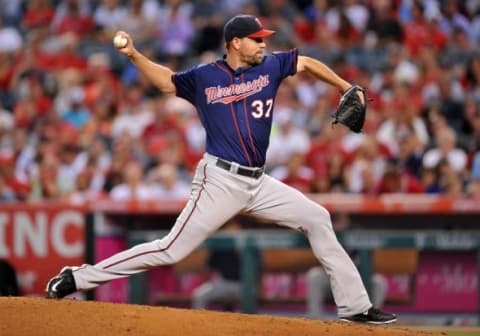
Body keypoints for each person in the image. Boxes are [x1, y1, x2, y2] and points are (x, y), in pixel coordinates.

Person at [46, 14, 396, 324]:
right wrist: (135, 55)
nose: (263, 44)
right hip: (220, 181)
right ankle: (78, 278)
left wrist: (344, 86)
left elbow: (304, 62)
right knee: (171, 249)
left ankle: (355, 306)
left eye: (264, 38)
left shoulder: (270, 66)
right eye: (256, 39)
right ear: (235, 43)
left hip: (259, 183)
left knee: (317, 217)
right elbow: (167, 82)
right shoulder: (205, 76)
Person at [192, 219, 261, 310]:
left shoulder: (249, 243)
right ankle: (199, 322)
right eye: (229, 227)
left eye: (236, 227)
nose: (233, 230)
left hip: (243, 284)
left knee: (251, 298)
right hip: (224, 282)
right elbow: (209, 267)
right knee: (199, 295)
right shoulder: (221, 243)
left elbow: (259, 268)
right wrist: (206, 283)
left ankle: (248, 323)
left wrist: (260, 286)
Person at [306, 266, 388, 319]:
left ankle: (371, 319)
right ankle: (316, 320)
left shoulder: (365, 240)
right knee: (315, 275)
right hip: (332, 280)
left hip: (358, 281)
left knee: (378, 281)